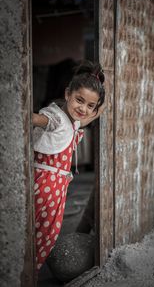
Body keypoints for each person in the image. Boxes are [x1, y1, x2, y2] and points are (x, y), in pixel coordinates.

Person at [32, 60, 105, 271]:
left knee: (47, 236)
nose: (83, 109)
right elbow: (39, 119)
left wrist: (101, 100)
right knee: (34, 236)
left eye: (90, 105)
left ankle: (31, 275)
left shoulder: (72, 120)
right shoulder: (54, 117)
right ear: (67, 94)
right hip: (43, 187)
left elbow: (90, 115)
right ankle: (26, 275)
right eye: (79, 100)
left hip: (56, 191)